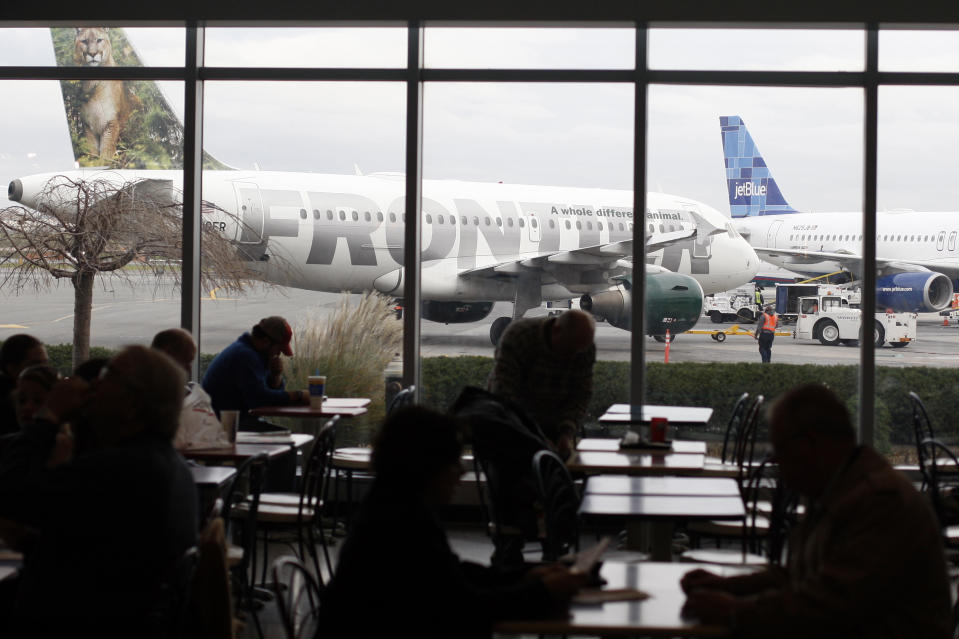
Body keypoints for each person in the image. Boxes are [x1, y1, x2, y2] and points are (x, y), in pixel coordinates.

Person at [681, 383, 952, 639]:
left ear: (808, 445)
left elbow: (827, 606)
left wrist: (733, 610)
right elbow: (804, 577)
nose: (776, 462)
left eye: (780, 450)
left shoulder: (881, 502)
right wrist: (729, 586)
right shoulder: (840, 488)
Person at [318, 406, 588, 638]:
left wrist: (525, 576)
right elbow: (463, 606)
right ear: (427, 465)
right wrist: (541, 590)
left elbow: (450, 577)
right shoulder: (400, 522)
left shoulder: (391, 508)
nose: (461, 470)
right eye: (453, 461)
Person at [0, 345, 198, 637]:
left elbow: (10, 493)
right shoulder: (167, 466)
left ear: (133, 404)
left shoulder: (118, 469)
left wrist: (49, 415)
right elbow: (99, 544)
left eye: (107, 376)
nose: (92, 384)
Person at [487, 310, 595, 459]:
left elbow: (581, 394)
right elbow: (503, 394)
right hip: (511, 427)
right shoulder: (519, 336)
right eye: (569, 349)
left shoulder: (582, 346)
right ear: (556, 331)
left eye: (579, 350)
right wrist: (534, 436)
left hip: (555, 427)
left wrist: (566, 433)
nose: (573, 356)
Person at [201, 316, 308, 427]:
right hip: (222, 426)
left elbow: (269, 394)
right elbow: (259, 399)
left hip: (232, 420)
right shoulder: (245, 356)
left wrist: (276, 376)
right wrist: (298, 395)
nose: (278, 354)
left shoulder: (253, 353)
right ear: (266, 341)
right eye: (278, 349)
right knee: (285, 437)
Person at [152, 328, 229, 449]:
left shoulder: (193, 395)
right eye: (185, 361)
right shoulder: (146, 397)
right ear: (166, 356)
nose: (188, 369)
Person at [0, 335, 48, 436]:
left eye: (45, 363)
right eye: (36, 365)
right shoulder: (11, 402)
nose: (44, 370)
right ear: (11, 368)